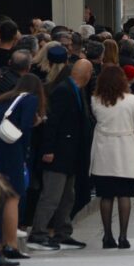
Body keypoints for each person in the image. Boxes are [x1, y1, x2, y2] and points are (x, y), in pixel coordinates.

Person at [27, 59, 94, 251]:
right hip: (58, 153)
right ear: (86, 74)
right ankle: (38, 233)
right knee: (51, 196)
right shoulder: (63, 91)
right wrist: (48, 149)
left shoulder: (77, 90)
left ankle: (63, 232)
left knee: (67, 196)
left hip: (70, 153)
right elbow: (53, 122)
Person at [0, 74, 46, 261]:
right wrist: (26, 151)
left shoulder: (4, 99)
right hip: (14, 150)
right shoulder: (30, 99)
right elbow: (24, 127)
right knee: (13, 196)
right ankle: (11, 244)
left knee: (0, 196)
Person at [89, 65, 134, 249]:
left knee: (105, 196)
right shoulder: (131, 100)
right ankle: (123, 237)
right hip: (126, 149)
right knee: (125, 195)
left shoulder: (96, 100)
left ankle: (107, 236)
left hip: (104, 150)